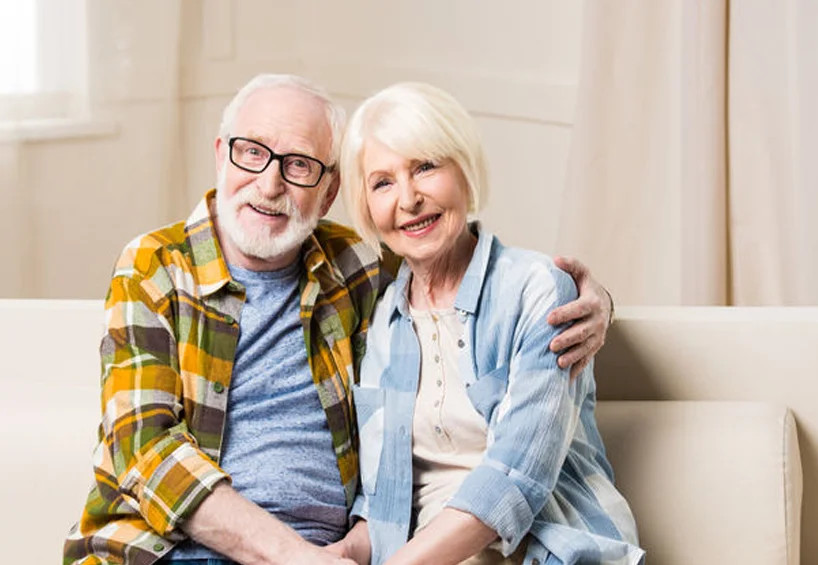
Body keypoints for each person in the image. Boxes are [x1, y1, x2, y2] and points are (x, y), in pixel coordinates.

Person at [63, 74, 615, 565]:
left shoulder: (356, 269)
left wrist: (594, 300)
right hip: (177, 550)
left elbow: (454, 256)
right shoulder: (155, 267)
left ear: (329, 193)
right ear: (220, 156)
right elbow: (147, 452)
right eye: (250, 151)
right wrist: (296, 558)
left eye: (298, 164)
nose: (270, 184)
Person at [329, 82, 644, 565]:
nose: (409, 198)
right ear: (367, 207)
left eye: (425, 167)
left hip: (543, 551)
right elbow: (383, 498)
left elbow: (516, 476)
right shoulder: (385, 321)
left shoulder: (538, 289)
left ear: (464, 170)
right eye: (382, 183)